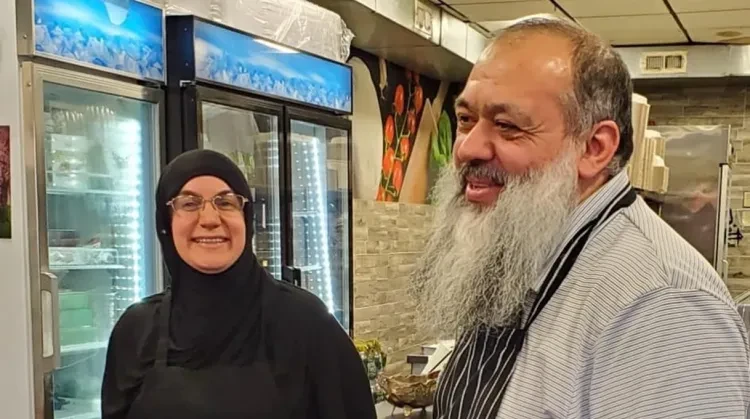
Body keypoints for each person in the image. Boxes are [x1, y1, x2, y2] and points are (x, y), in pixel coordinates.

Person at [412, 16, 750, 419]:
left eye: (507, 126)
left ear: (594, 147)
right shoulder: (520, 254)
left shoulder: (662, 307)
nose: (468, 148)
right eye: (466, 119)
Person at [101, 149, 375, 419]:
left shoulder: (307, 323)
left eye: (225, 202)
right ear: (166, 223)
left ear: (247, 219)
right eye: (189, 203)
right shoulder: (135, 331)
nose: (209, 219)